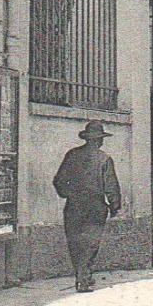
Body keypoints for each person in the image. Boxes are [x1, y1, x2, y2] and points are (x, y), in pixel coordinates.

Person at [52, 121, 122, 293]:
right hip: (95, 207)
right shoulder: (104, 159)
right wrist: (114, 206)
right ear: (99, 140)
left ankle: (82, 275)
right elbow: (111, 186)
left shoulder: (71, 155)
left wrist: (68, 194)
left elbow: (58, 180)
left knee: (75, 242)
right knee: (91, 242)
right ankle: (84, 277)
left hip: (74, 206)